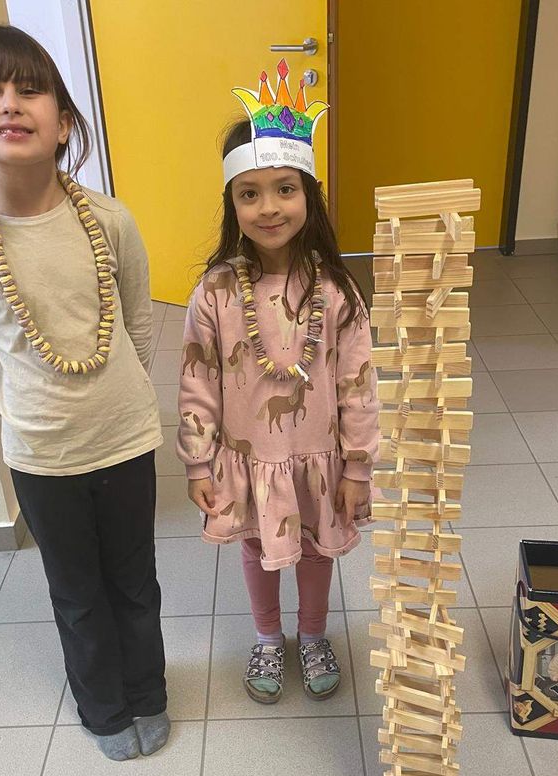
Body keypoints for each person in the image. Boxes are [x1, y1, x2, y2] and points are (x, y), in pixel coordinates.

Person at [0, 24, 167, 760]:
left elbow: (139, 321)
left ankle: (148, 691)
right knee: (77, 591)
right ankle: (103, 707)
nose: (11, 102)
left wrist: (118, 401)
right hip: (41, 454)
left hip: (125, 436)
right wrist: (29, 420)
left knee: (135, 579)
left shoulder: (111, 220)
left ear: (64, 122)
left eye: (31, 89)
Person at [177, 61, 379, 703]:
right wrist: (197, 462)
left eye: (285, 189)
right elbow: (198, 382)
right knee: (259, 546)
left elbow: (358, 386)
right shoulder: (214, 292)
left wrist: (357, 469)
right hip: (249, 458)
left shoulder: (337, 291)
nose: (268, 208)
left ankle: (313, 632)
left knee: (316, 549)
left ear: (309, 196)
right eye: (250, 193)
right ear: (232, 205)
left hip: (319, 459)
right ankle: (268, 638)